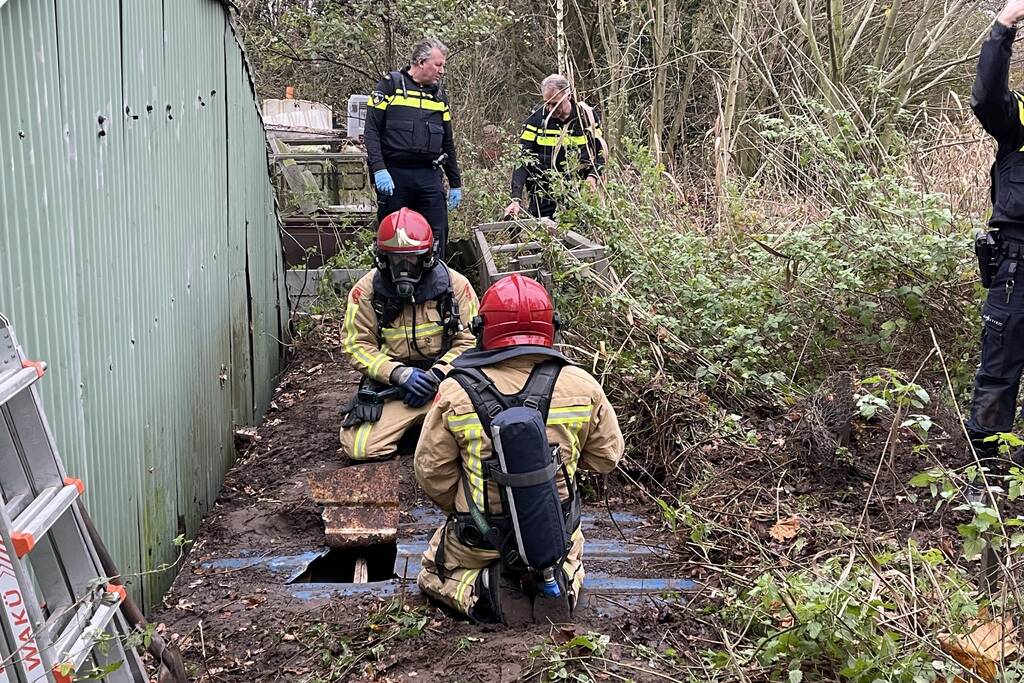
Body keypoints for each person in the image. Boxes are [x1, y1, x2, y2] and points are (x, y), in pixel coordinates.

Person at [414, 274, 624, 625]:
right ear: (551, 327)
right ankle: (561, 582)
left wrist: (466, 503)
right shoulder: (582, 384)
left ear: (483, 328)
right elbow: (606, 457)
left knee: (433, 569)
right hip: (555, 532)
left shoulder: (454, 391)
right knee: (569, 552)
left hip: (478, 538)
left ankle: (480, 587)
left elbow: (431, 471)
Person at [340, 208, 478, 462]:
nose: (403, 268)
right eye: (395, 259)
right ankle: (419, 428)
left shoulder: (455, 286)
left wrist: (437, 374)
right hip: (395, 387)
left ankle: (425, 429)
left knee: (482, 435)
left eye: (411, 259)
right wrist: (397, 374)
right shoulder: (366, 292)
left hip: (447, 384)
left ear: (427, 256)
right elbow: (355, 344)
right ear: (382, 258)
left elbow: (471, 341)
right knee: (360, 448)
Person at [966, 0, 1024, 463]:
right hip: (1017, 265)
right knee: (999, 373)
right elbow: (986, 97)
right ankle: (983, 479)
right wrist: (1004, 24)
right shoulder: (1016, 119)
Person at [364, 38, 463, 259]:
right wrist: (379, 169)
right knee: (393, 238)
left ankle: (435, 288)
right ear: (420, 61)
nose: (442, 71)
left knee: (437, 236)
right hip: (394, 177)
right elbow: (371, 133)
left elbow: (448, 143)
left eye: (443, 65)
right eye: (438, 65)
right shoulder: (389, 86)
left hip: (428, 175)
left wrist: (455, 183)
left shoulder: (438, 97)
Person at [505, 75, 606, 220]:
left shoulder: (587, 117)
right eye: (547, 103)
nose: (550, 109)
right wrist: (516, 199)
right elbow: (522, 160)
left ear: (569, 96)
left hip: (578, 194)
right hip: (543, 196)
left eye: (555, 103)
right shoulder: (535, 120)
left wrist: (592, 177)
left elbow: (600, 152)